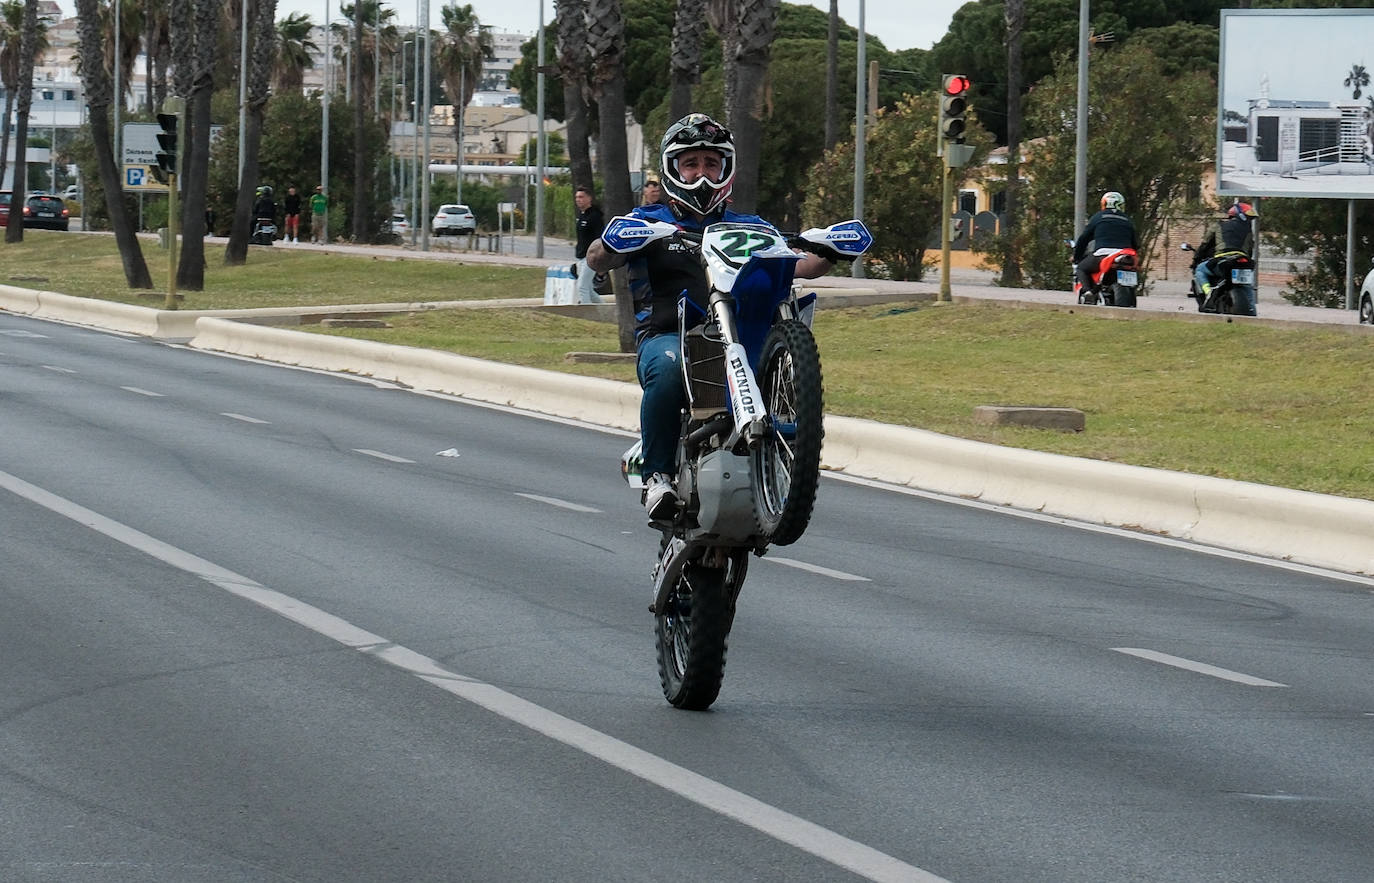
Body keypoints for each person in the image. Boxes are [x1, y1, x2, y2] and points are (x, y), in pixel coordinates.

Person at [587, 113, 842, 519]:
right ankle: (658, 477)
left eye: (711, 163)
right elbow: (597, 257)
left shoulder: (751, 226)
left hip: (743, 339)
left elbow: (802, 264)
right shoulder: (648, 220)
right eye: (691, 163)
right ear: (673, 169)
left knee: (789, 372)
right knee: (670, 367)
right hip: (668, 338)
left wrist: (830, 249)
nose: (702, 173)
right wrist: (614, 241)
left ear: (726, 168)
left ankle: (786, 468)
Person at [1195, 202, 1258, 316]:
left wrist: (1197, 257)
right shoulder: (1248, 230)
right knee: (1247, 287)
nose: (1249, 220)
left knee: (1199, 269)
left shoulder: (1219, 225)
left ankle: (1208, 292)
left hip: (1223, 260)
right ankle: (1253, 313)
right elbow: (1250, 249)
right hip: (1244, 261)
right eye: (1248, 217)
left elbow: (1205, 244)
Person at [1072, 190, 1138, 298]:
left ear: (1104, 204)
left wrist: (1077, 257)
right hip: (1125, 255)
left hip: (1103, 254)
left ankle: (1088, 292)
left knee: (1081, 268)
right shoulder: (1127, 220)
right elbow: (1135, 243)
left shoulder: (1098, 217)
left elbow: (1084, 239)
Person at [573, 186, 605, 303]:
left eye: (581, 197)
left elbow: (600, 238)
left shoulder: (595, 216)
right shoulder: (582, 215)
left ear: (589, 198)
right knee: (589, 290)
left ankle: (586, 311)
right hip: (581, 257)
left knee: (582, 287)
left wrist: (600, 259)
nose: (578, 200)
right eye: (577, 197)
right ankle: (606, 310)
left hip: (591, 257)